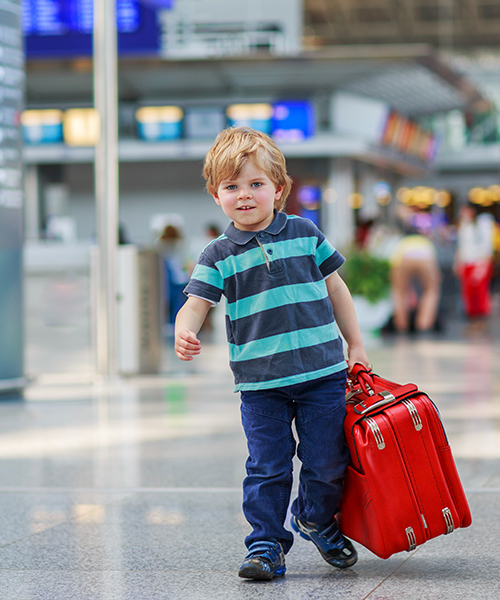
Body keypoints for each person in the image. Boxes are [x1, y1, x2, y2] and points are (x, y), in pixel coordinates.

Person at [173, 127, 370, 581]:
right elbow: (196, 303)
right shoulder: (218, 253)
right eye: (232, 187)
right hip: (261, 385)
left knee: (327, 462)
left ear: (279, 190)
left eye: (256, 184)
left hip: (323, 373)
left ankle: (315, 517)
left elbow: (335, 288)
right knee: (267, 467)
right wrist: (184, 331)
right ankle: (265, 545)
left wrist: (355, 345)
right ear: (216, 195)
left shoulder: (305, 233)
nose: (245, 195)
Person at [388, 228, 441, 333]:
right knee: (431, 291)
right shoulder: (426, 242)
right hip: (426, 257)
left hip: (404, 257)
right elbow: (435, 265)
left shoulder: (402, 242)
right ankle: (424, 325)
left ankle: (401, 325)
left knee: (399, 292)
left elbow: (393, 264)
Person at [453, 204, 496, 322]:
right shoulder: (464, 226)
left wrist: (483, 265)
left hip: (479, 263)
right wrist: (458, 263)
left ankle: (481, 319)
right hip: (466, 263)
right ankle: (472, 317)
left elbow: (487, 246)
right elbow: (461, 247)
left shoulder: (482, 224)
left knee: (480, 292)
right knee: (468, 293)